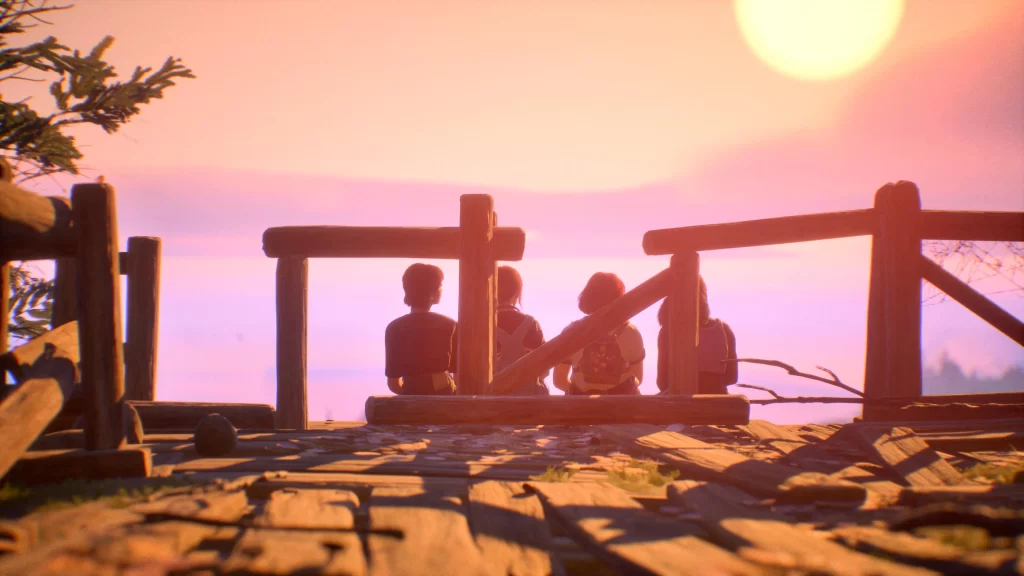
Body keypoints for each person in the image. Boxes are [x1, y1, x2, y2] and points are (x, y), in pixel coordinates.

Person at [552, 272, 645, 395]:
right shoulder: (632, 333)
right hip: (620, 408)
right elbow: (638, 378)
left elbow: (559, 380)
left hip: (579, 408)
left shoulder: (571, 332)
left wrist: (584, 395)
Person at [384, 263, 458, 395]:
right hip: (444, 393)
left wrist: (412, 393)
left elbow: (393, 384)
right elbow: (459, 376)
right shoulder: (450, 325)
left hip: (409, 396)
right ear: (432, 292)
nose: (441, 290)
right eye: (440, 286)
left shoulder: (394, 328)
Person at [656, 276, 738, 394]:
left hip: (679, 405)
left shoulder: (666, 332)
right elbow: (731, 378)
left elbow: (663, 383)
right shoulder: (725, 329)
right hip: (717, 403)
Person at [492, 265, 550, 395]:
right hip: (528, 397)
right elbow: (544, 369)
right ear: (517, 291)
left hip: (491, 397)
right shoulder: (531, 324)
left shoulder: (481, 324)